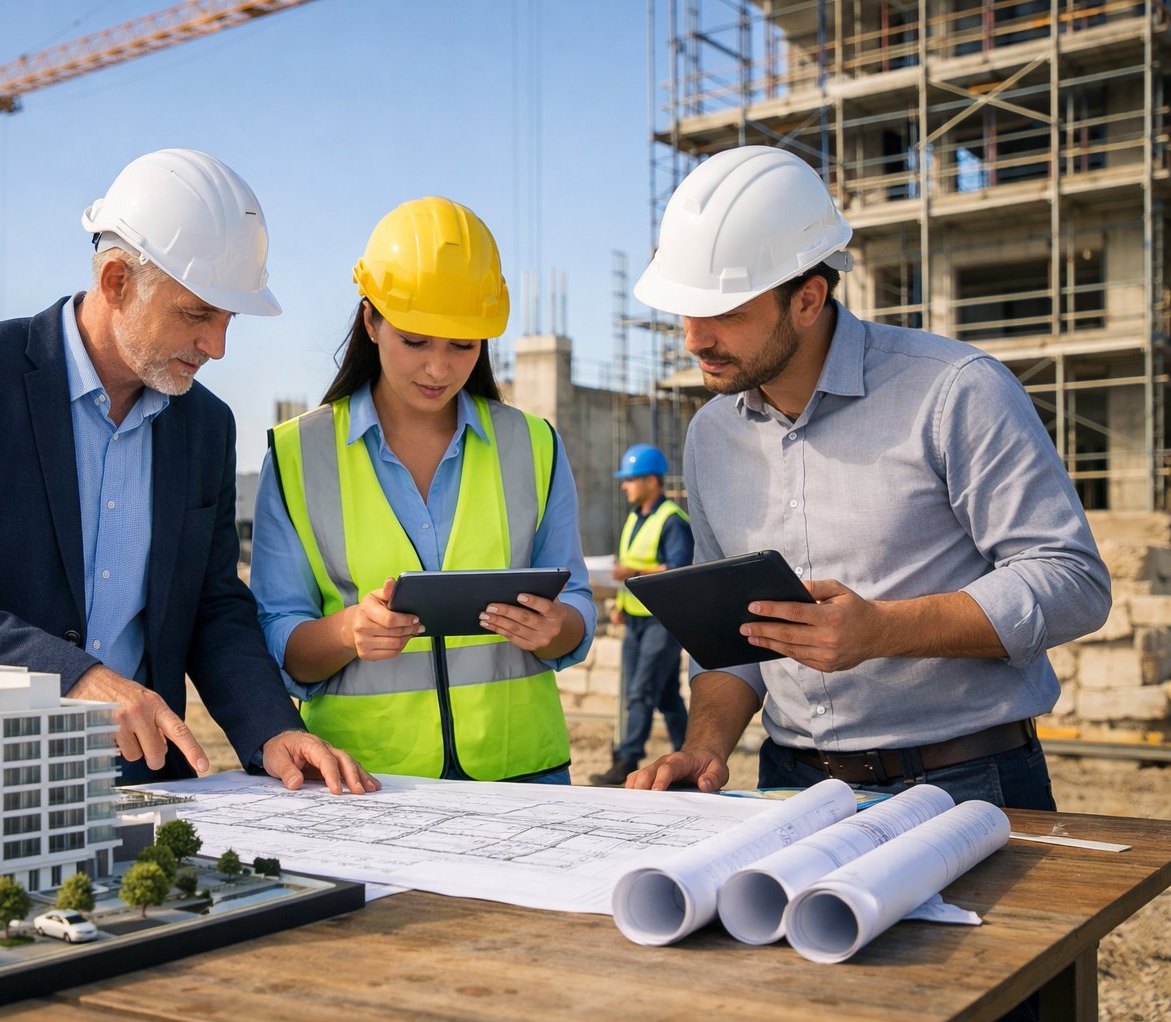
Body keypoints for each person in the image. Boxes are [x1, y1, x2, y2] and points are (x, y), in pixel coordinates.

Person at [0, 149, 375, 795]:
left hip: (128, 779)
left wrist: (271, 729)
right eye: (196, 314)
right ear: (117, 282)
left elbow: (212, 605)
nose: (217, 346)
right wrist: (72, 677)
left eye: (227, 318)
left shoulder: (205, 427)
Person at [625, 146, 1110, 810]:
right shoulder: (712, 434)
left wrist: (883, 629)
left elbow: (1072, 582)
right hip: (790, 787)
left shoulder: (955, 391)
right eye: (685, 311)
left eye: (725, 312)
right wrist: (705, 747)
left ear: (808, 298)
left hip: (968, 784)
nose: (694, 339)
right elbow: (729, 638)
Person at [250, 196, 595, 784]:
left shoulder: (535, 445)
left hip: (525, 778)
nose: (439, 368)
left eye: (463, 345)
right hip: (365, 783)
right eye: (416, 341)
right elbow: (278, 638)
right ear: (371, 321)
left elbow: (578, 608)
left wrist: (555, 626)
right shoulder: (297, 456)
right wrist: (346, 632)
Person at [588, 443, 693, 785]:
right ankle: (688, 752)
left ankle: (626, 760)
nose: (624, 486)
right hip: (634, 618)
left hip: (663, 620)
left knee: (639, 691)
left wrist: (633, 571)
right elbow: (627, 567)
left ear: (651, 480)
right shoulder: (634, 517)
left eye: (630, 479)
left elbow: (678, 570)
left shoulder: (673, 521)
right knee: (665, 695)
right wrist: (620, 605)